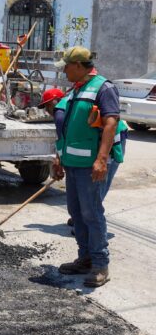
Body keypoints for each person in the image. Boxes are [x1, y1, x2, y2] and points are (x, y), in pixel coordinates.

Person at [51, 47, 126, 287]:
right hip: (73, 163)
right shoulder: (76, 90)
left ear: (80, 65)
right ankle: (84, 258)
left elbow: (110, 124)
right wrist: (59, 157)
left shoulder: (104, 88)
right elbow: (67, 129)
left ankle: (100, 264)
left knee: (91, 213)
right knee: (76, 212)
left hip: (90, 164)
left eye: (67, 66)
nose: (64, 70)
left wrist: (102, 159)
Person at [41, 87, 127, 231]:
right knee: (86, 190)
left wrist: (60, 162)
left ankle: (90, 225)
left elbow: (64, 140)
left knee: (97, 187)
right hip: (94, 143)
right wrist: (61, 161)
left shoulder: (60, 113)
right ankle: (80, 219)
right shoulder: (68, 106)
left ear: (55, 102)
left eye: (47, 105)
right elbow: (65, 140)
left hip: (112, 142)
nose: (46, 110)